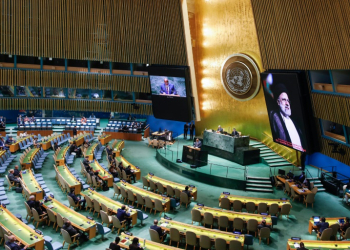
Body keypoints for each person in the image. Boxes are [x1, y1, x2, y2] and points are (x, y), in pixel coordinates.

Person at [269, 84, 304, 151]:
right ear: (278, 102)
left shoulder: (295, 124)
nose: (287, 103)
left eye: (288, 100)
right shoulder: (274, 117)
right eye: (284, 100)